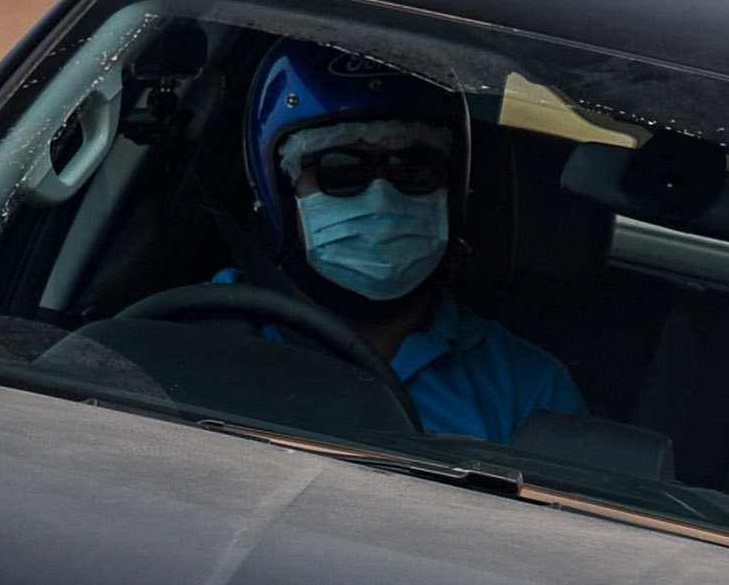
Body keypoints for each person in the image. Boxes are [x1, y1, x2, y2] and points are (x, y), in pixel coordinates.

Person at [227, 40, 586, 443]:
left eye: (413, 170)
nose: (381, 200)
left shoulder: (529, 392)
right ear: (281, 193)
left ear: (453, 192)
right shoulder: (208, 331)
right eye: (340, 171)